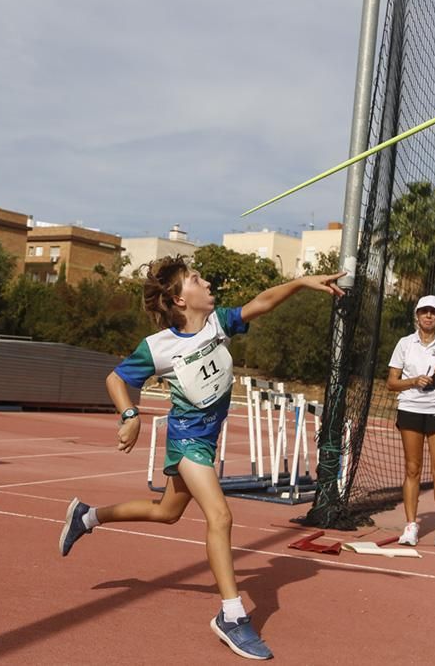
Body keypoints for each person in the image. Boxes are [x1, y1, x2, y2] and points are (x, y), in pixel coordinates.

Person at [58, 255, 345, 660]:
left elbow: (262, 302)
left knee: (166, 512)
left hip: (206, 441)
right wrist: (130, 416)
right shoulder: (158, 347)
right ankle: (232, 615)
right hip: (187, 441)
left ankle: (86, 516)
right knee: (220, 516)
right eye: (196, 279)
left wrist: (300, 282)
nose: (207, 283)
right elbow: (116, 379)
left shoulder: (218, 324)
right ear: (179, 298)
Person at [385, 295, 435, 552]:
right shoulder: (404, 344)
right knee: (412, 469)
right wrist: (414, 381)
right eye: (424, 311)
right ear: (417, 315)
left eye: (433, 312)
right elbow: (391, 383)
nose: (428, 316)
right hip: (410, 408)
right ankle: (411, 526)